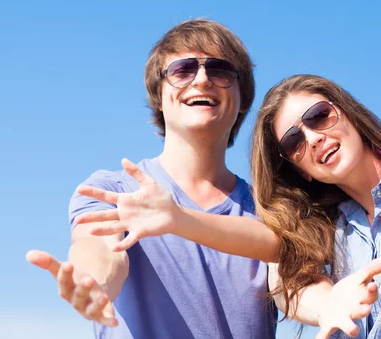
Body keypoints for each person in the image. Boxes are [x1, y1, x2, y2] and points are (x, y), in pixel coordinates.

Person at [75, 0, 381, 338]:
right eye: (293, 141)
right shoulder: (329, 229)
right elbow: (99, 254)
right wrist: (90, 283)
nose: (311, 137)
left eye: (318, 115)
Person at [26, 18, 284, 338]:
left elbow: (294, 290)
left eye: (220, 70)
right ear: (158, 96)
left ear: (242, 98)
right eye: (182, 70)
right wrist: (91, 280)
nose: (202, 79)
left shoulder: (271, 211)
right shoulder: (112, 190)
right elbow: (98, 249)